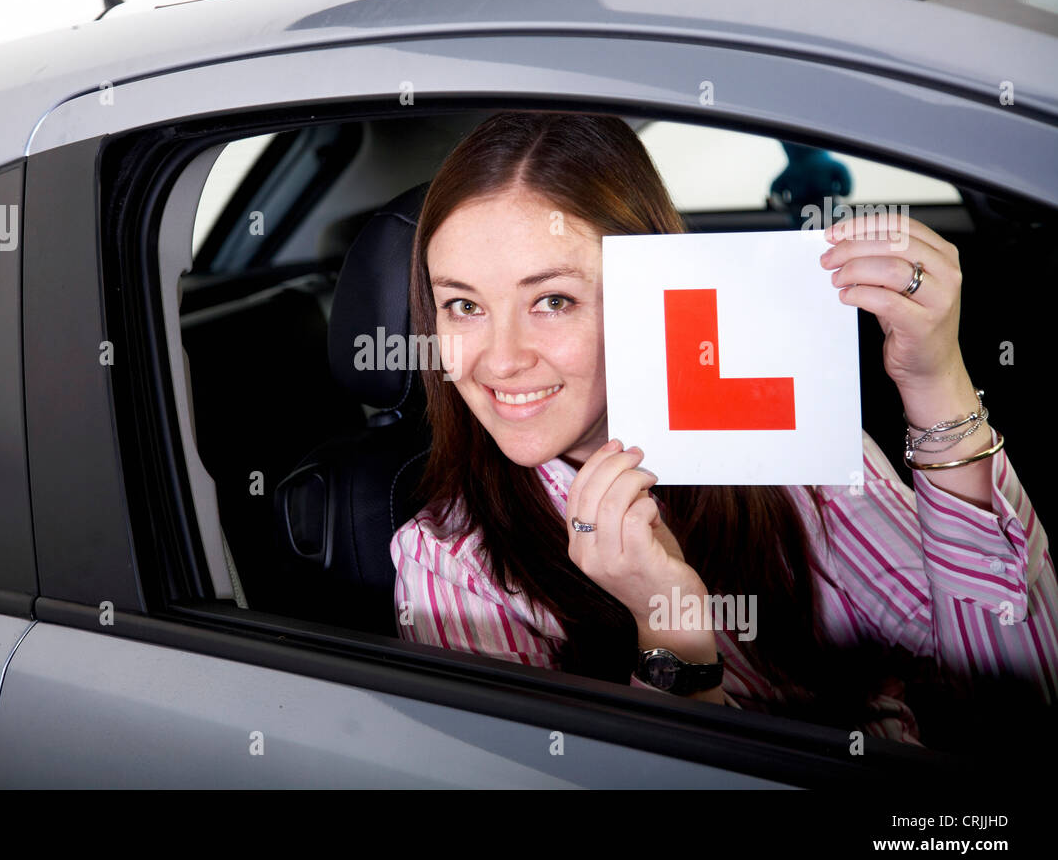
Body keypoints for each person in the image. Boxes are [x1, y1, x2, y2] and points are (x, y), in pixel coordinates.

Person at [390, 110, 1056, 748]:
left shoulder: (791, 449)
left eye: (553, 301)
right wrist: (669, 634)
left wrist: (935, 381)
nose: (501, 358)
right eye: (463, 305)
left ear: (653, 286)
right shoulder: (448, 563)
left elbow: (1016, 699)